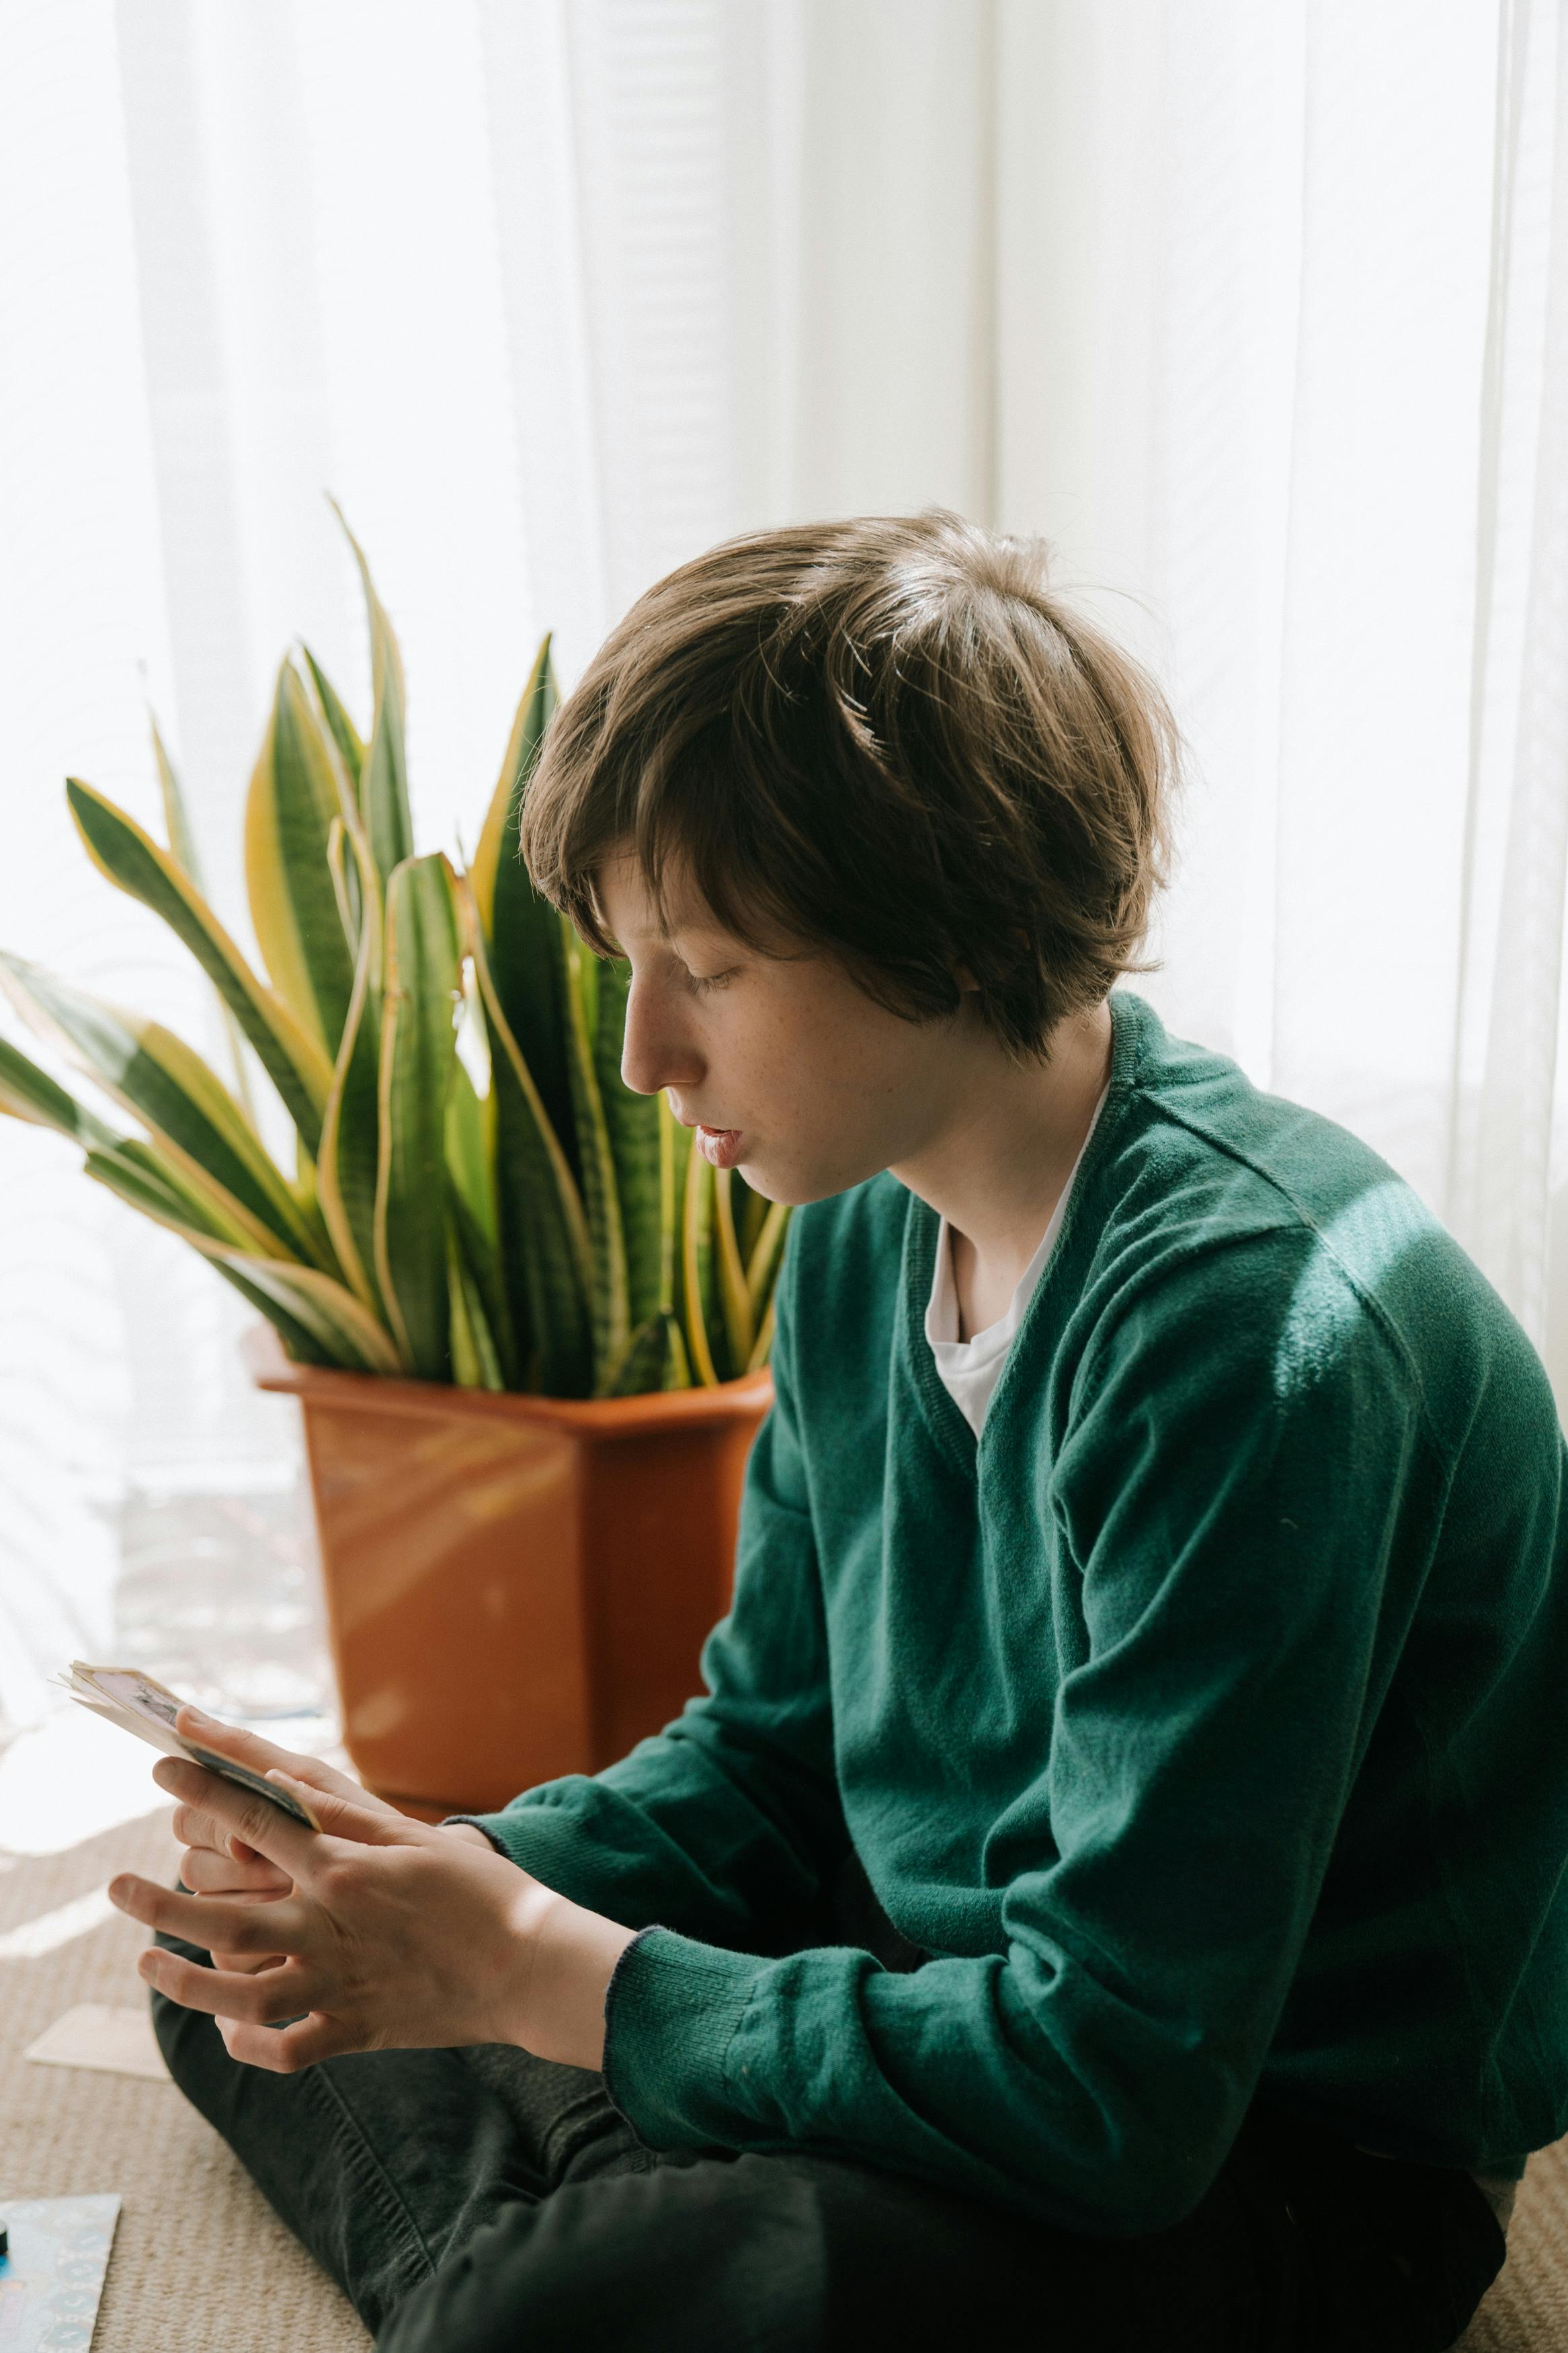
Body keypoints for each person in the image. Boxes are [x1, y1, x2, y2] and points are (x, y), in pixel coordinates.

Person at [112, 511, 1567, 2352]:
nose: (645, 1055)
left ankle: (574, 2234)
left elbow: (1117, 2084)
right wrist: (442, 1874)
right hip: (940, 1982)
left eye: (703, 967)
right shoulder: (866, 1219)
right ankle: (601, 2209)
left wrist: (544, 1979)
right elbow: (776, 1756)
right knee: (237, 1972)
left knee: (551, 2289)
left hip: (1268, 2154)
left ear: (936, 927)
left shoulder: (1247, 1329)